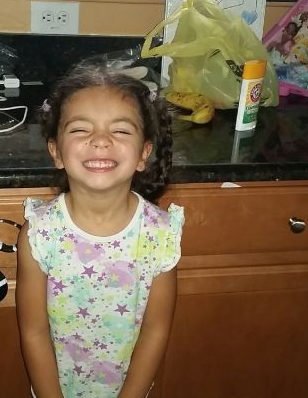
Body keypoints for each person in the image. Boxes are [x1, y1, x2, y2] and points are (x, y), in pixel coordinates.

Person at [16, 67, 184, 398]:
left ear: (144, 153)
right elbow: (33, 332)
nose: (101, 140)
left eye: (120, 130)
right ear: (56, 151)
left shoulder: (161, 235)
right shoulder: (40, 233)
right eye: (81, 129)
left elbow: (155, 331)